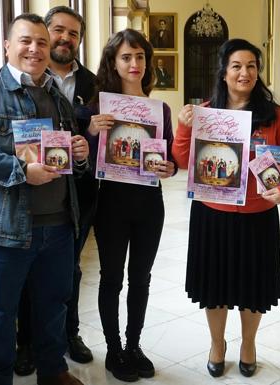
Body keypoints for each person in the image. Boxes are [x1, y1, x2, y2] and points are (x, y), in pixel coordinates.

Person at [0, 13, 89, 385]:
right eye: (25, 40)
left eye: (42, 42)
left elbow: (66, 156)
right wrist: (21, 171)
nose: (35, 48)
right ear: (7, 46)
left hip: (57, 225)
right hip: (2, 231)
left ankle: (53, 370)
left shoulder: (58, 96)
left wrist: (80, 151)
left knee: (53, 306)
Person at [172, 38, 280, 378]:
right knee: (213, 287)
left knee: (252, 288)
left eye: (251, 66)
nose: (245, 73)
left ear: (258, 72)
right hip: (212, 214)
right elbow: (184, 159)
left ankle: (248, 343)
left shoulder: (272, 114)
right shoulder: (206, 110)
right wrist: (185, 126)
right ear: (224, 72)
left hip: (258, 215)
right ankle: (217, 344)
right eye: (237, 66)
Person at [85, 28, 177, 383]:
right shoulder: (98, 109)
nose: (134, 63)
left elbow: (167, 156)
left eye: (140, 57)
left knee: (141, 278)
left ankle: (134, 345)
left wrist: (170, 167)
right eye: (126, 57)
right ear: (113, 62)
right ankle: (113, 349)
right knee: (111, 277)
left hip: (149, 201)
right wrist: (93, 132)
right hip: (111, 201)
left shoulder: (160, 109)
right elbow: (87, 161)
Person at [13, 6, 97, 376]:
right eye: (58, 31)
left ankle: (69, 335)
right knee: (28, 275)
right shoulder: (28, 79)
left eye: (73, 33)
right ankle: (26, 343)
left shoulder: (95, 83)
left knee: (68, 273)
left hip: (77, 196)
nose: (65, 38)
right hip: (27, 194)